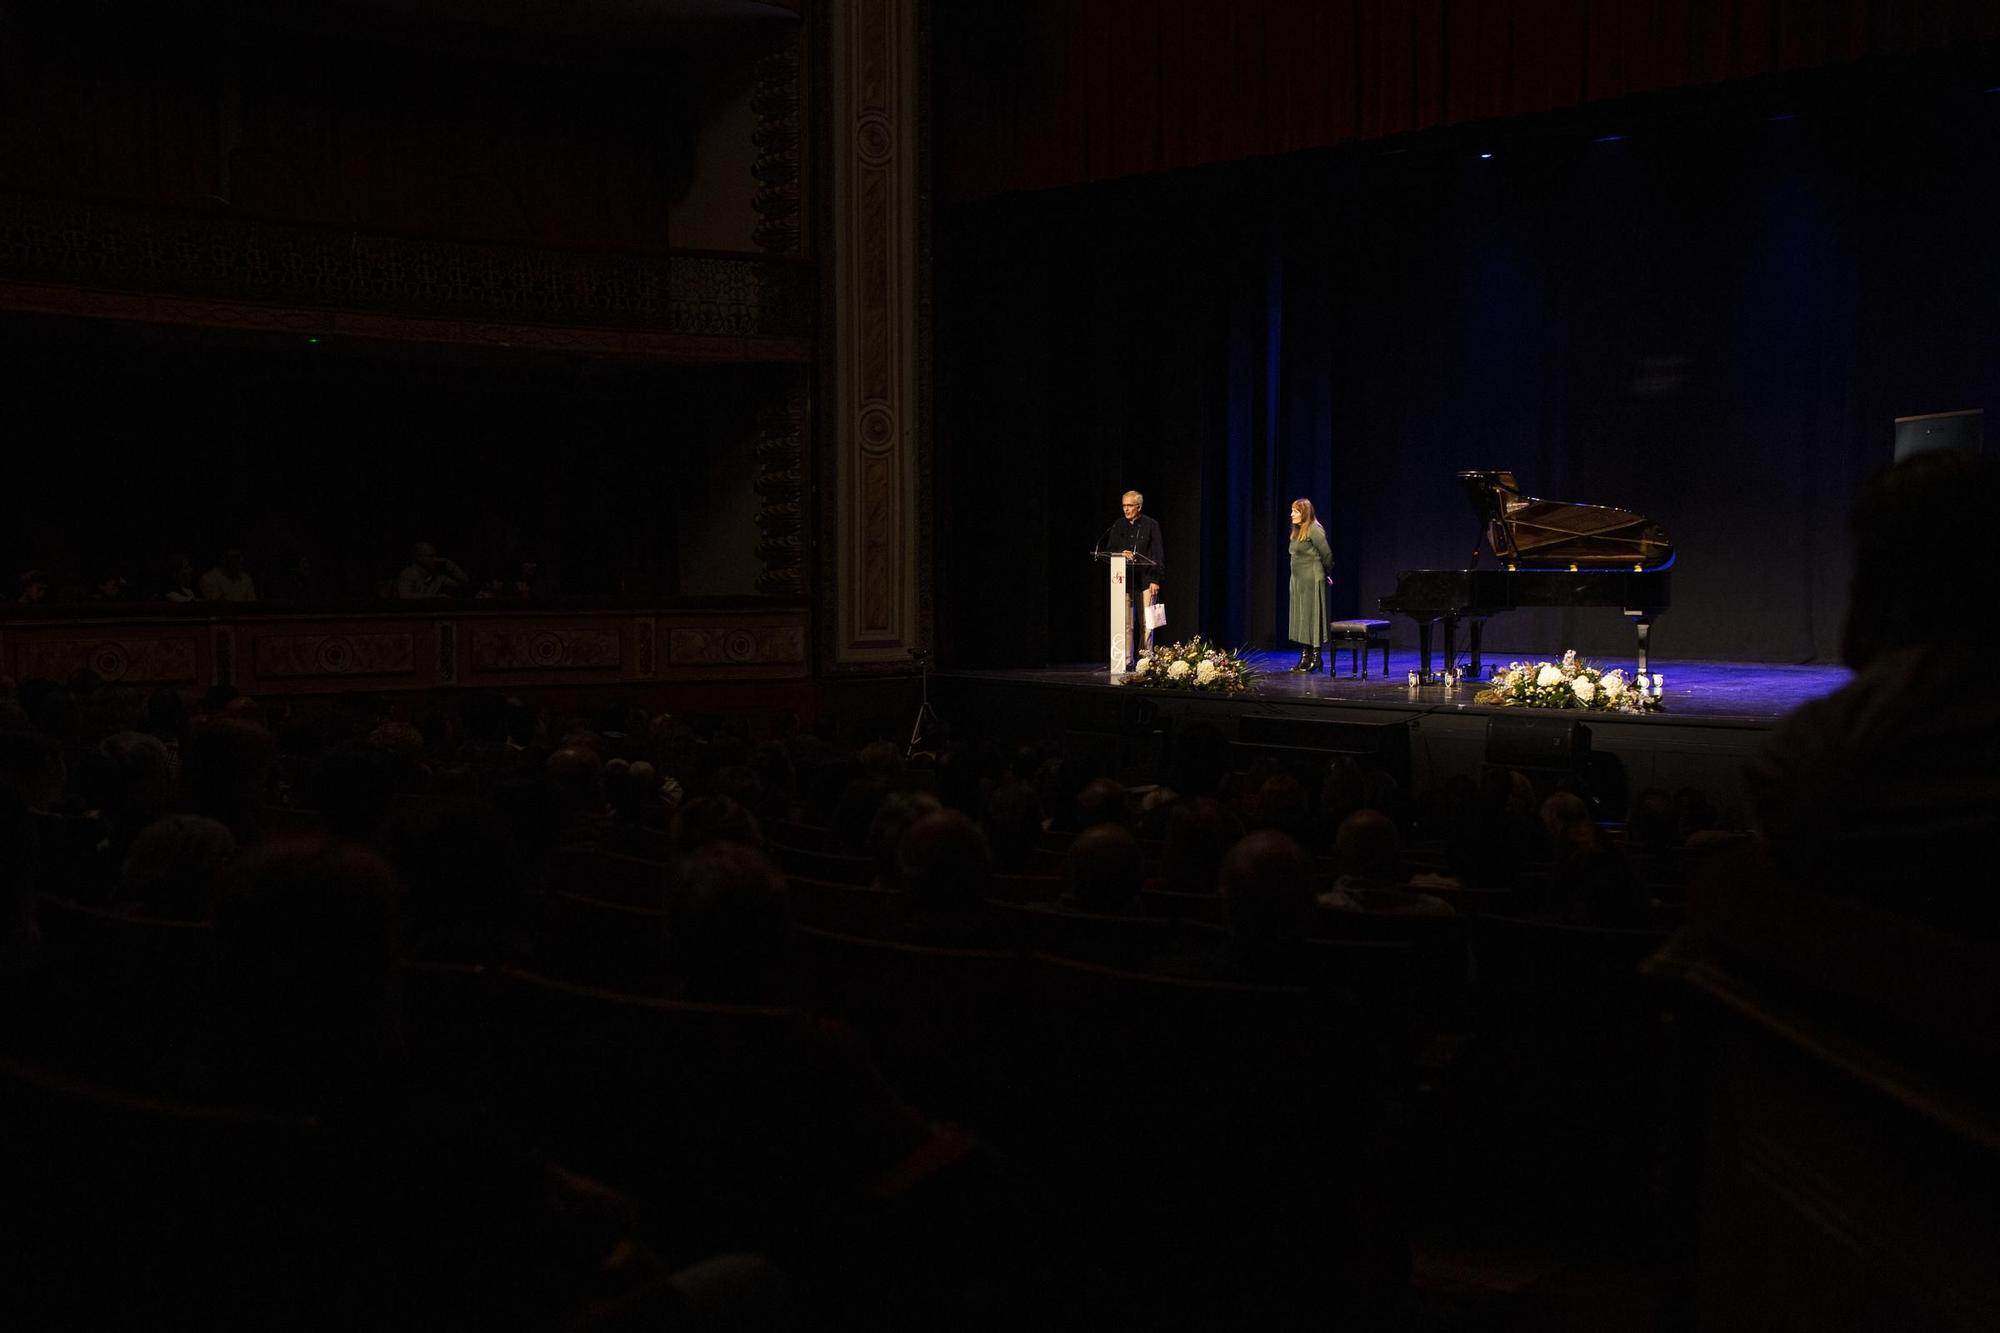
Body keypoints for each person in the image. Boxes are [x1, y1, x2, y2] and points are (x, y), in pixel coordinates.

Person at [1103, 489, 1164, 668]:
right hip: (1124, 580)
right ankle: (1127, 660)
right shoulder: (1118, 525)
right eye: (1124, 505)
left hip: (1146, 580)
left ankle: (1146, 661)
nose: (1126, 509)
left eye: (1130, 506)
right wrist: (1121, 553)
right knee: (1126, 624)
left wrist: (1156, 579)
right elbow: (1108, 550)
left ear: (1139, 507)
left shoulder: (1151, 525)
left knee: (1148, 624)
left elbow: (1158, 554)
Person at [1287, 498, 1334, 673]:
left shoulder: (1315, 529)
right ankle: (1304, 656)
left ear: (1304, 513)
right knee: (1301, 617)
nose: (1292, 514)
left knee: (1313, 616)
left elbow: (1327, 554)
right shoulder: (1297, 531)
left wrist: (1326, 574)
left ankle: (1316, 656)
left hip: (1313, 579)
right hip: (1298, 580)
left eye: (1295, 511)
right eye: (1292, 510)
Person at [395, 541, 470, 599]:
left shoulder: (437, 577)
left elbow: (464, 582)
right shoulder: (408, 574)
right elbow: (404, 596)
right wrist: (435, 597)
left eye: (435, 556)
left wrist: (448, 563)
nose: (435, 560)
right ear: (419, 557)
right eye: (430, 556)